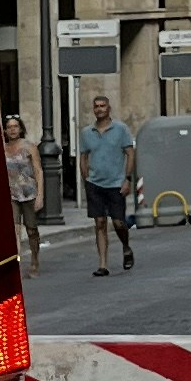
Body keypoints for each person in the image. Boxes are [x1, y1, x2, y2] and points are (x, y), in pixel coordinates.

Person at [79, 90, 136, 274]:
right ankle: (103, 264)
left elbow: (130, 154)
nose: (99, 109)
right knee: (100, 223)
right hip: (95, 184)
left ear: (109, 108)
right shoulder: (87, 132)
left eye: (102, 106)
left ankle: (126, 247)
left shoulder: (121, 129)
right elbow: (83, 157)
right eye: (96, 106)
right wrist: (85, 178)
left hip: (116, 184)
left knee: (119, 222)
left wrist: (127, 179)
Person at [4, 108, 43, 272]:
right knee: (14, 230)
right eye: (9, 127)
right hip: (11, 193)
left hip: (29, 193)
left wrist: (40, 195)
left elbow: (38, 170)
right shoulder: (2, 148)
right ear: (5, 130)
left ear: (20, 129)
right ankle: (17, 263)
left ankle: (34, 258)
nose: (13, 129)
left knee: (31, 229)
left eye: (15, 126)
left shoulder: (29, 147)